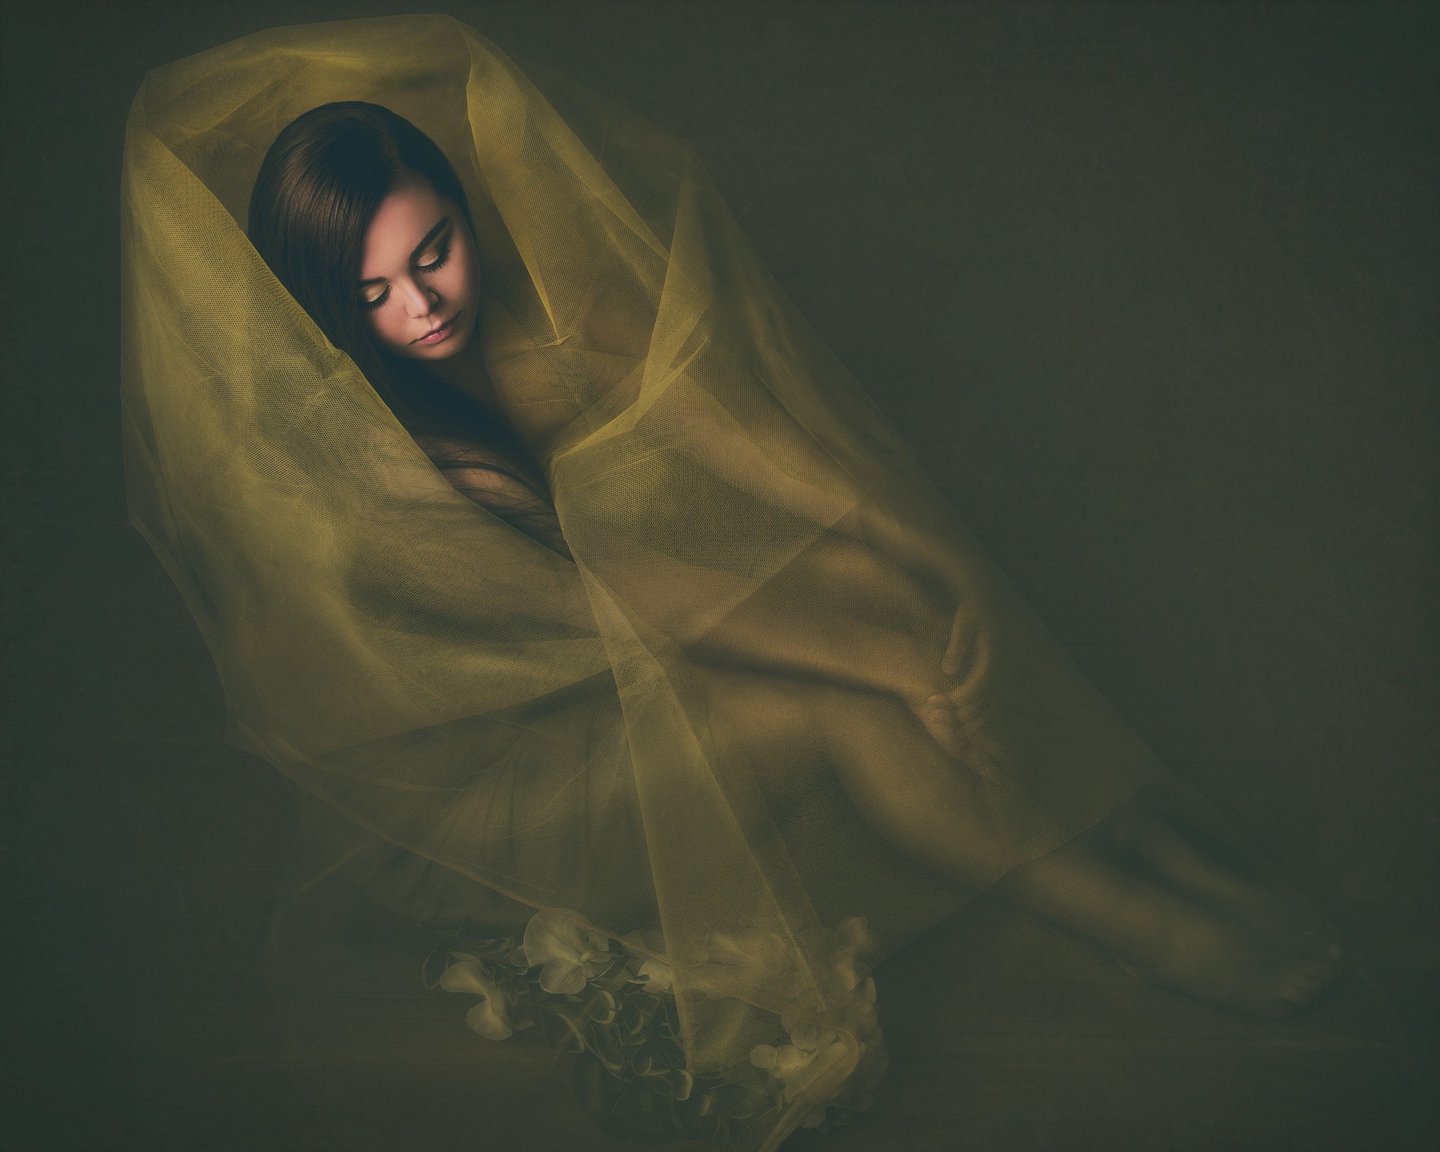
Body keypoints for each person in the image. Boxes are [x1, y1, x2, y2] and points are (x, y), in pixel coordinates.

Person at [122, 16, 1343, 1150]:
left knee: (865, 607)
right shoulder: (389, 479)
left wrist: (924, 578)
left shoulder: (541, 326)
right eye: (370, 295)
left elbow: (771, 453)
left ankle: (1118, 858)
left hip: (619, 675)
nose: (421, 306)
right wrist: (892, 654)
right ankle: (1141, 922)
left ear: (459, 208)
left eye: (430, 251)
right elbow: (643, 600)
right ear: (328, 313)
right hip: (485, 799)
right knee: (832, 699)